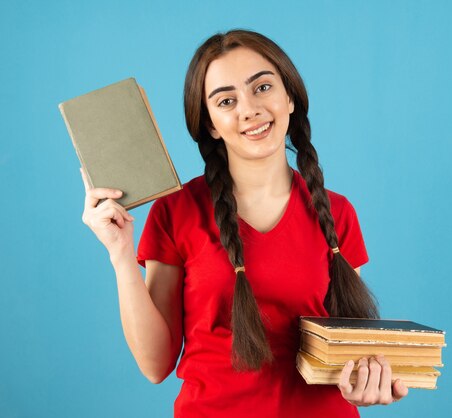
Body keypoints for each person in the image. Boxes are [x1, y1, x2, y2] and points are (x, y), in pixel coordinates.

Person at [80, 29, 408, 417]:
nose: (248, 109)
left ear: (289, 97)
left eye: (263, 87)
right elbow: (155, 366)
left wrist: (365, 382)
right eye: (226, 100)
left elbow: (348, 354)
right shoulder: (175, 211)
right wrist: (120, 254)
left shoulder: (338, 213)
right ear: (212, 124)